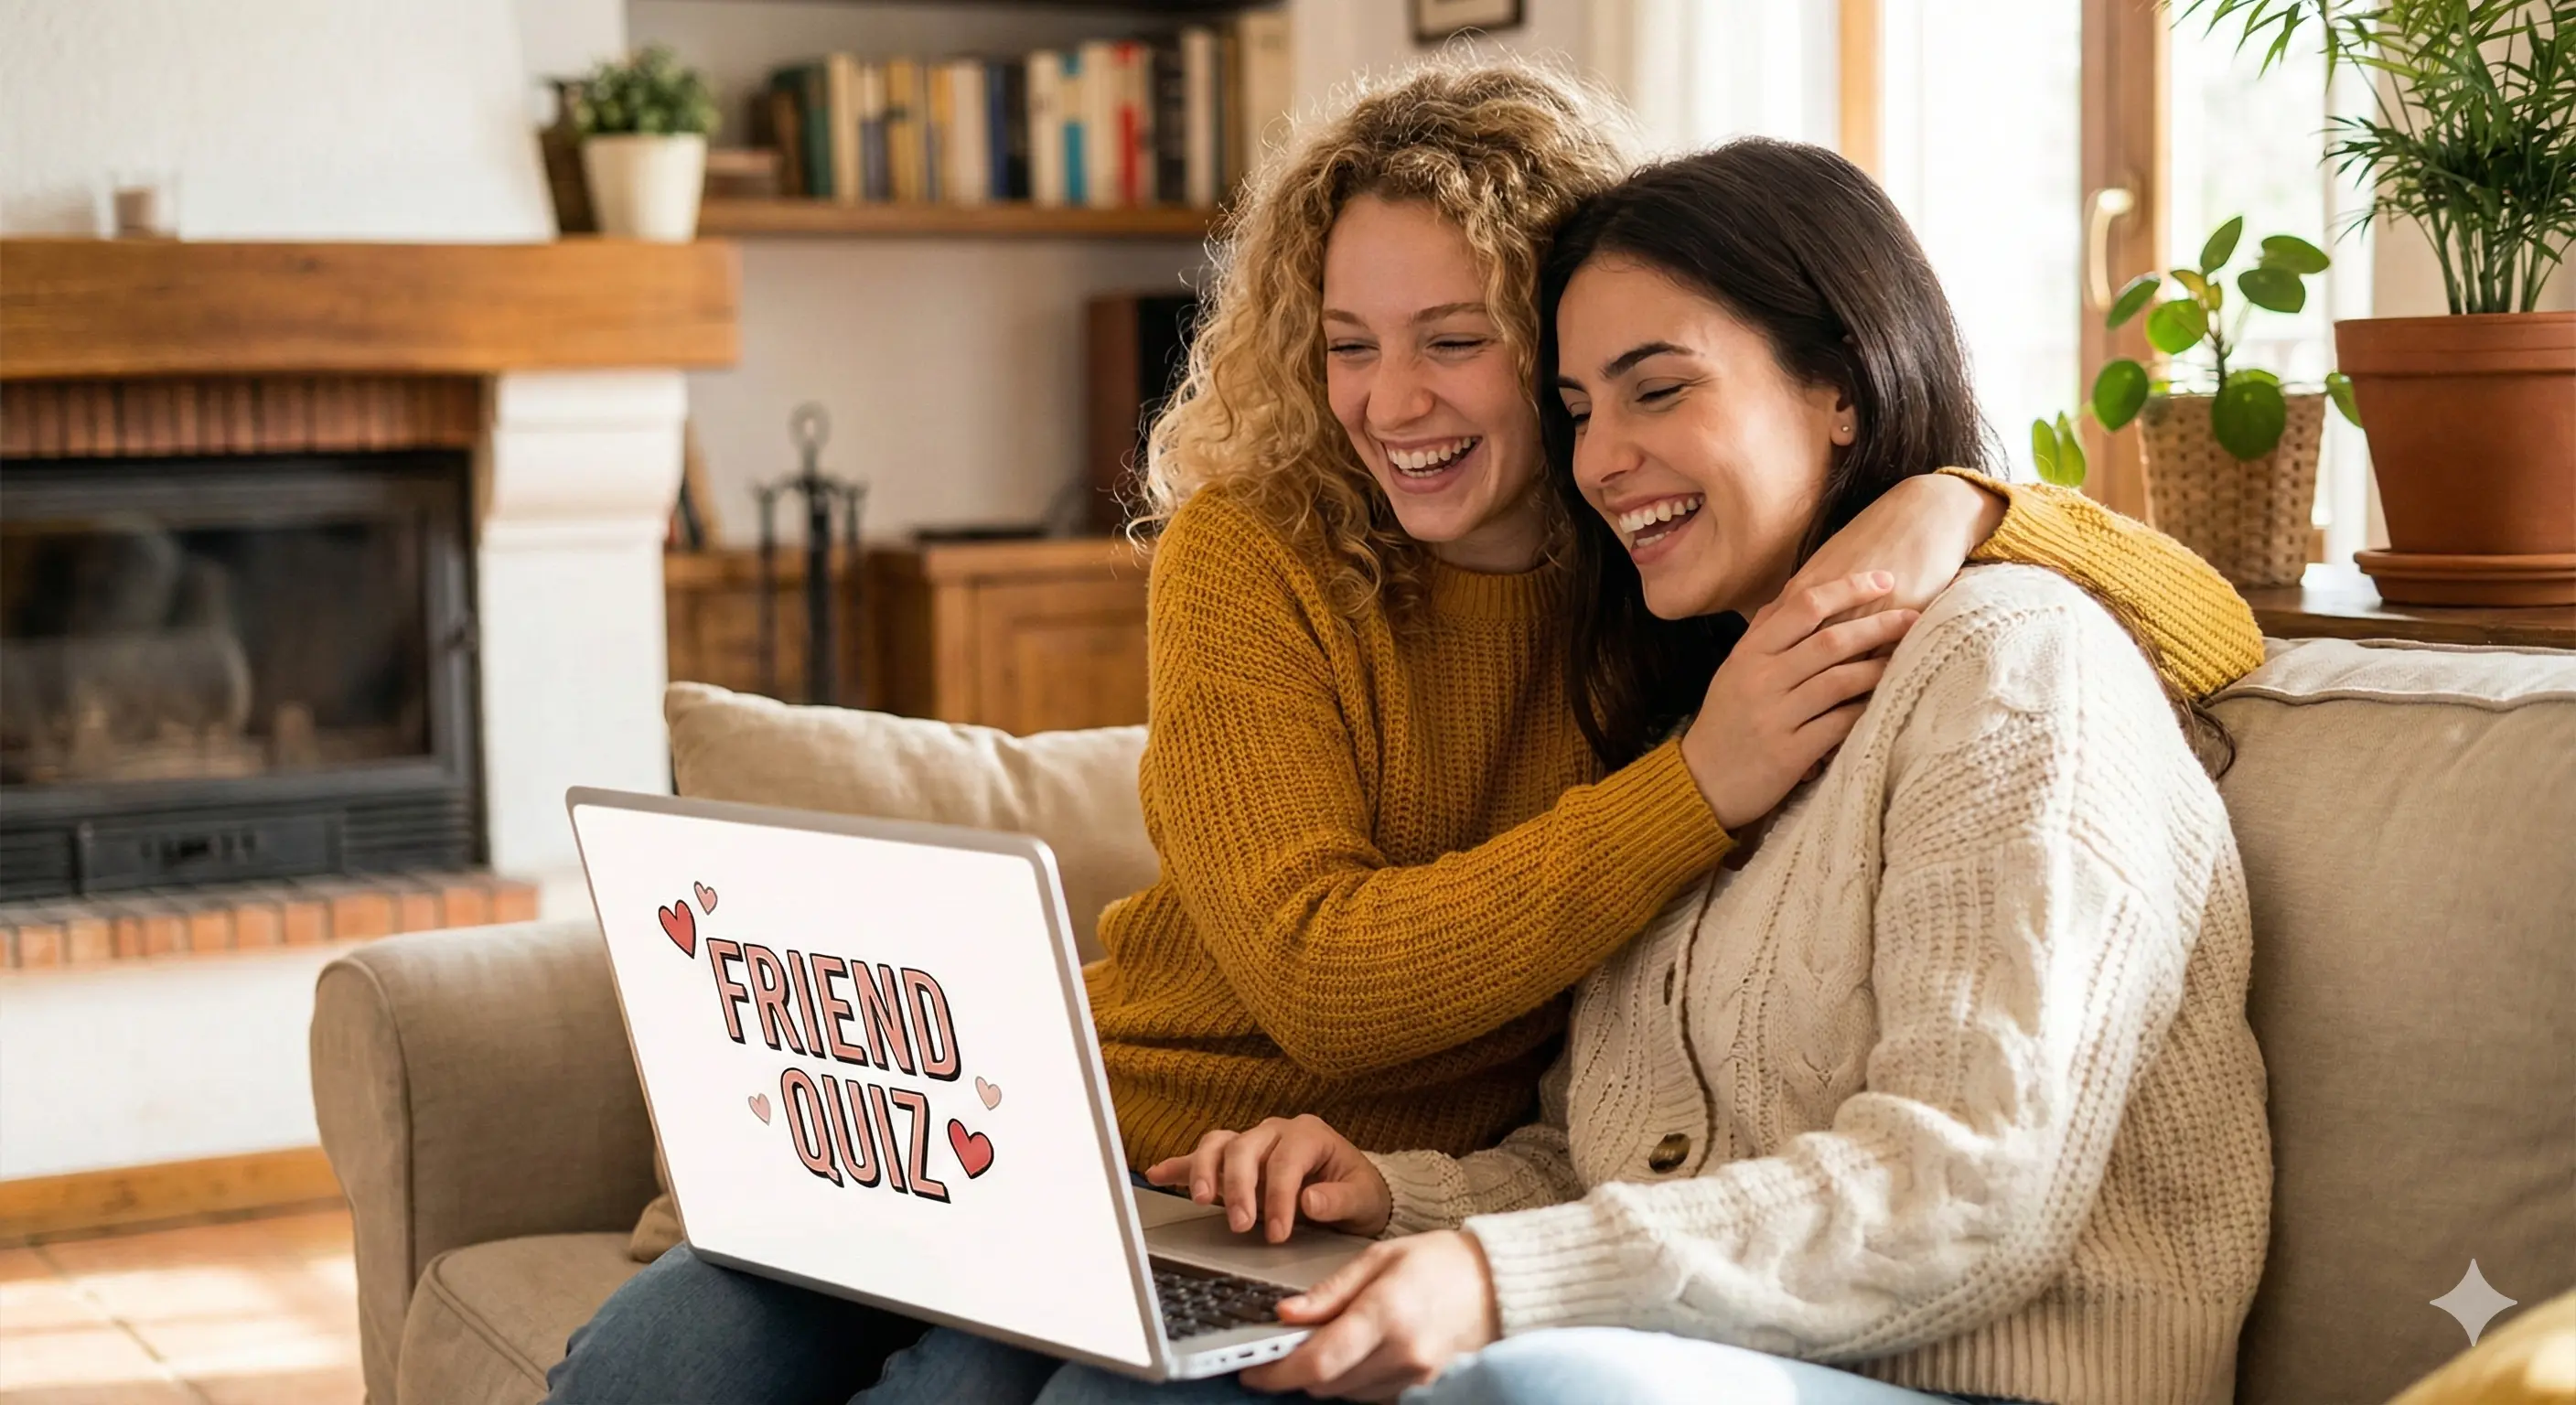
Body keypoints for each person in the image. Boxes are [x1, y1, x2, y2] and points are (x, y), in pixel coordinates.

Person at [547, 63, 2262, 1405]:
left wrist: (1950, 500)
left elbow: (2212, 633)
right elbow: (1316, 976)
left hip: (1323, 1209)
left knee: (1014, 1387)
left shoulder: (1673, 599)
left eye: (1460, 342)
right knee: (671, 1360)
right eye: (1349, 345)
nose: (1390, 401)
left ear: (1551, 334)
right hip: (1116, 1130)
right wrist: (1695, 787)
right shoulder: (1283, 559)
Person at [1022, 138, 2270, 1405]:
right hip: (1699, 1340)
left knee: (1518, 1389)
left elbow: (1961, 1185)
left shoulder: (2012, 667)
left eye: (1658, 391)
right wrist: (1403, 1195)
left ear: (1841, 384)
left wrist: (1968, 501)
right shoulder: (1687, 706)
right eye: (1580, 410)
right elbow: (1615, 1161)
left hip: (1977, 1374)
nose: (1602, 459)